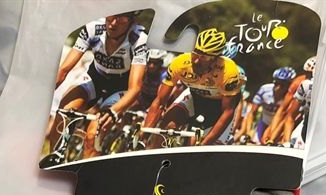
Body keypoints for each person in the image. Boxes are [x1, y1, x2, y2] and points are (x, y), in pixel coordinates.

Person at [45, 12, 148, 162]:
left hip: (120, 87)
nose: (113, 23)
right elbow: (64, 70)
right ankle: (54, 162)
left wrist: (114, 111)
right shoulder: (93, 28)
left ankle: (87, 172)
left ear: (132, 21)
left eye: (121, 18)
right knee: (64, 112)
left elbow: (135, 88)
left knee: (93, 134)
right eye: (111, 17)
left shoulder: (139, 39)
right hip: (95, 77)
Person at [143, 28, 242, 147]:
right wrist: (144, 136)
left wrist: (204, 144)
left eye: (204, 57)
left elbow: (227, 112)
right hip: (194, 97)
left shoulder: (228, 71)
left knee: (206, 150)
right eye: (195, 53)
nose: (196, 61)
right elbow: (160, 101)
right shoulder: (180, 63)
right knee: (166, 128)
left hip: (219, 108)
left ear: (215, 59)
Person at [238, 67, 296, 144]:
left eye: (282, 85)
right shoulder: (264, 90)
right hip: (264, 122)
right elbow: (252, 112)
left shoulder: (291, 96)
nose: (278, 88)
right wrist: (248, 133)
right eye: (276, 83)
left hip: (279, 126)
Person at [266, 56, 315, 145]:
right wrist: (272, 137)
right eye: (306, 73)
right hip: (303, 113)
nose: (308, 77)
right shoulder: (299, 83)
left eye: (310, 74)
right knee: (293, 113)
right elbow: (284, 111)